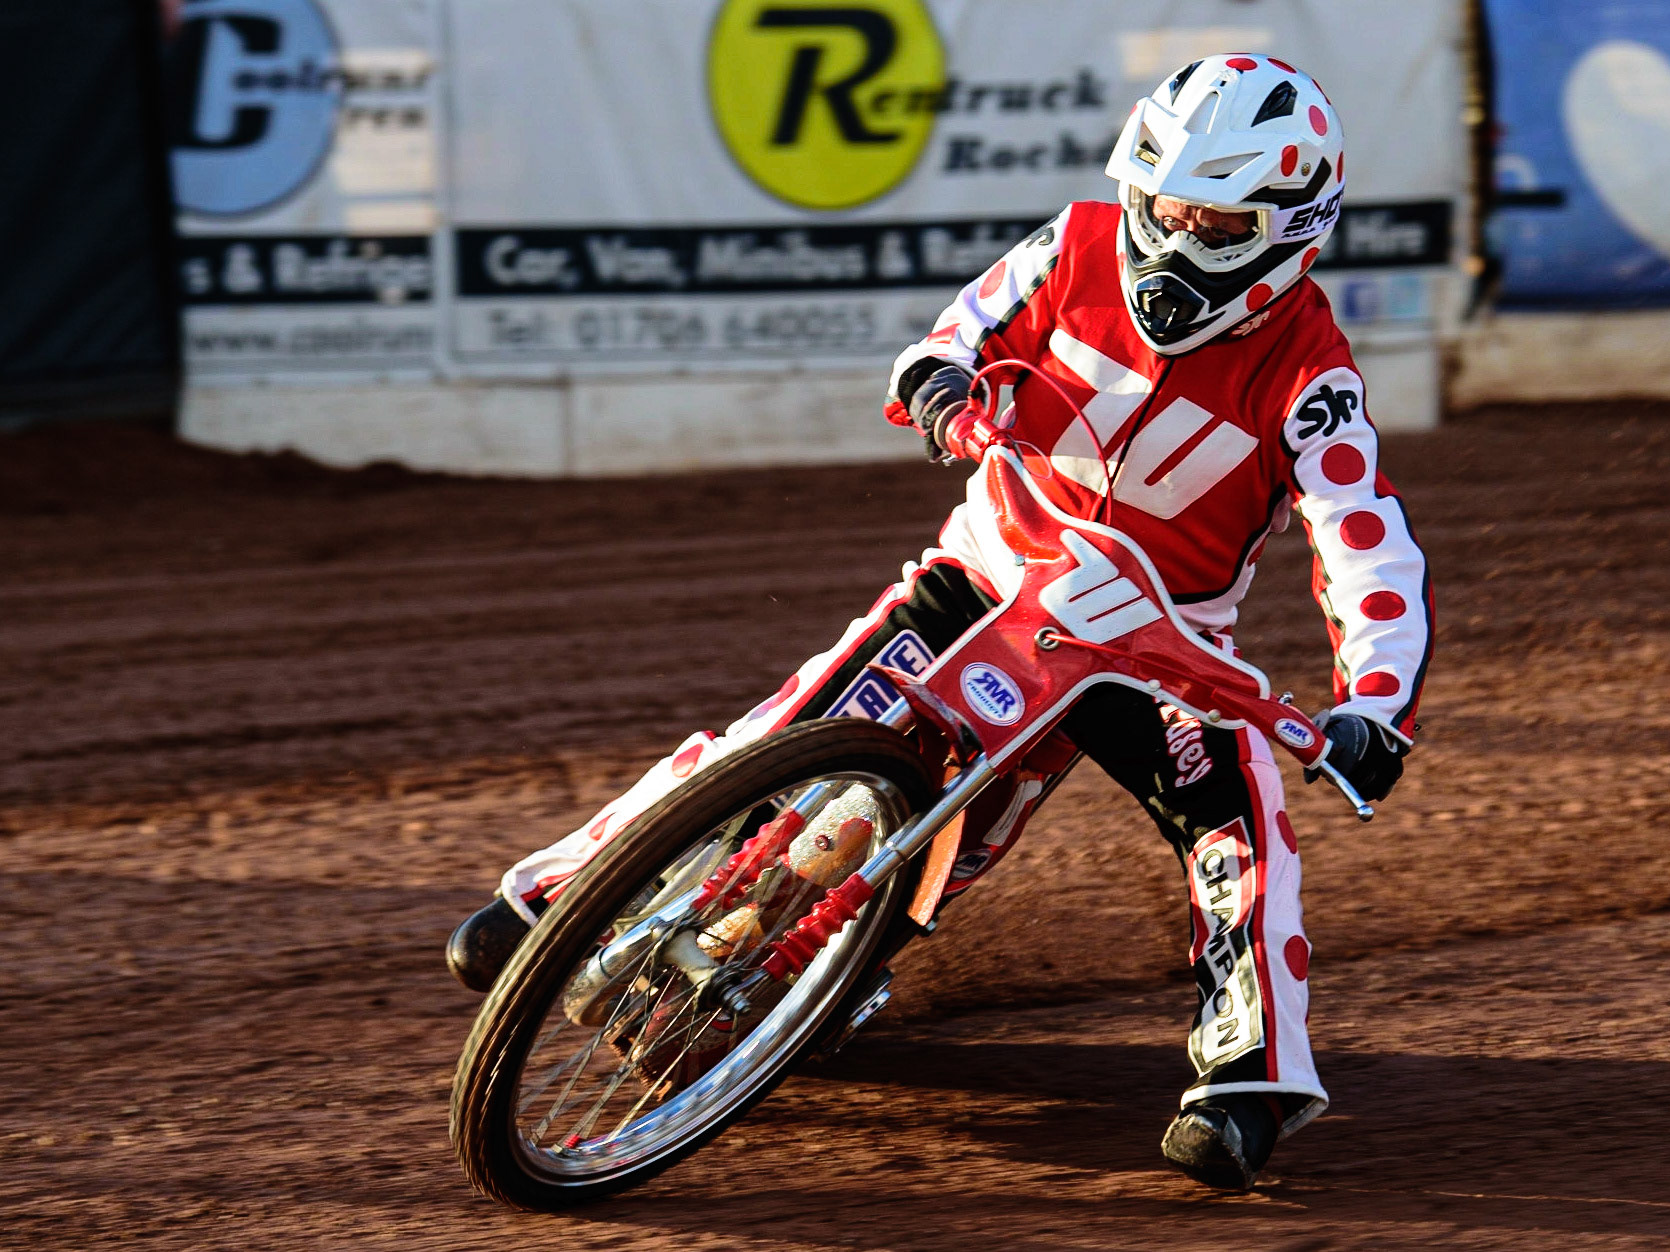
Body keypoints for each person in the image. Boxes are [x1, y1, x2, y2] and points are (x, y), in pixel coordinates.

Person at [447, 54, 1431, 1192]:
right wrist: (942, 383)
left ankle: (1248, 1079)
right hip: (986, 566)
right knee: (781, 725)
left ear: (1283, 230)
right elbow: (960, 329)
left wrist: (1374, 701)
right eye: (1160, 201)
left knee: (1244, 827)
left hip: (1153, 640)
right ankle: (554, 897)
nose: (1168, 233)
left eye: (1209, 218)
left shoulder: (1312, 376)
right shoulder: (1073, 242)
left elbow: (1365, 540)